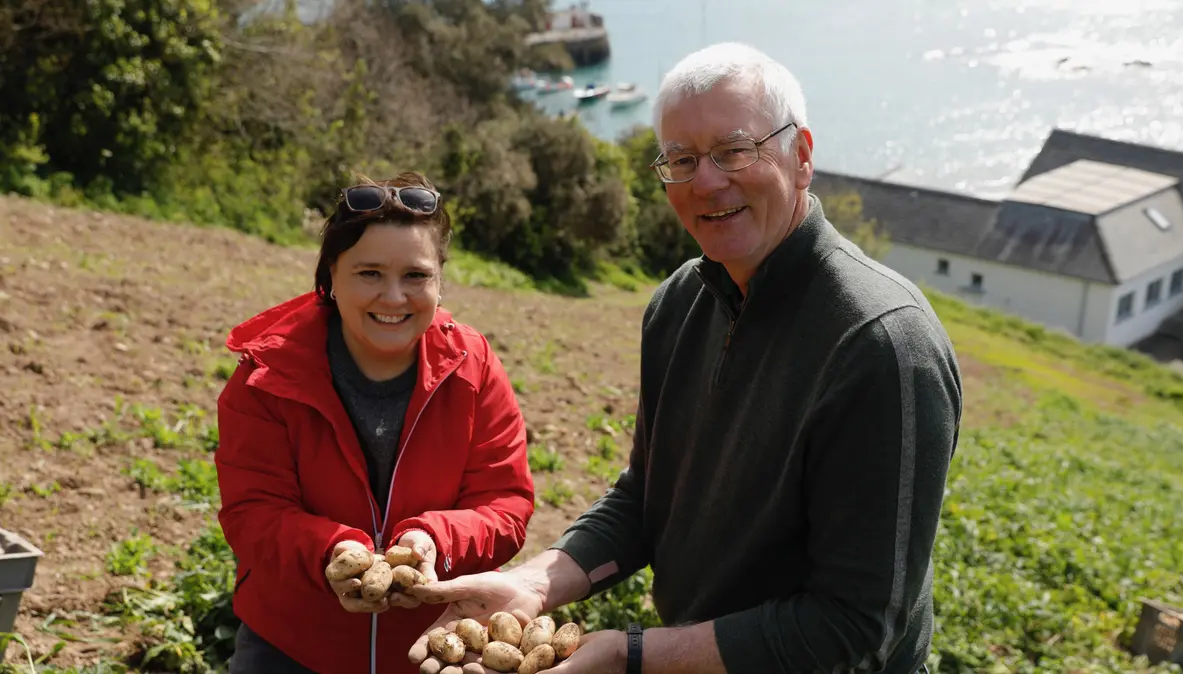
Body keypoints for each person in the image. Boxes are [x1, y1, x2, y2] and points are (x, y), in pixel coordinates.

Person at [406, 42, 963, 674]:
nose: (706, 181)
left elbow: (858, 625)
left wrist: (632, 655)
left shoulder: (883, 345)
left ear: (801, 155)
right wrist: (534, 586)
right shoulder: (679, 303)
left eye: (733, 150)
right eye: (682, 159)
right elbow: (648, 500)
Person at [214, 171, 536, 674]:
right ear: (330, 280)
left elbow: (506, 504)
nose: (393, 297)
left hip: (433, 646)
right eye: (369, 273)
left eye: (415, 275)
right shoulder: (267, 377)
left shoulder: (473, 368)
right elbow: (252, 512)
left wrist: (434, 541)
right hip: (289, 647)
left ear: (439, 280)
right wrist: (333, 554)